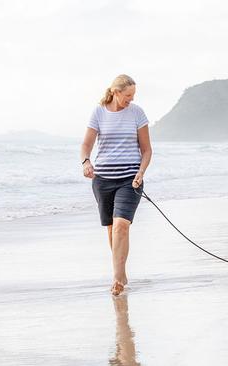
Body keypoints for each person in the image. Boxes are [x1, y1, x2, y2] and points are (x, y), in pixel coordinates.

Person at [80, 74, 152, 296]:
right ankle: (121, 272)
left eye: (133, 95)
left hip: (130, 179)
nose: (131, 99)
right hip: (103, 181)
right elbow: (86, 145)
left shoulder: (137, 113)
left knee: (121, 225)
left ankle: (117, 278)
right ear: (115, 92)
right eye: (128, 95)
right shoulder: (99, 112)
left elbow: (147, 150)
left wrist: (140, 172)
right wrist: (86, 162)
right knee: (112, 229)